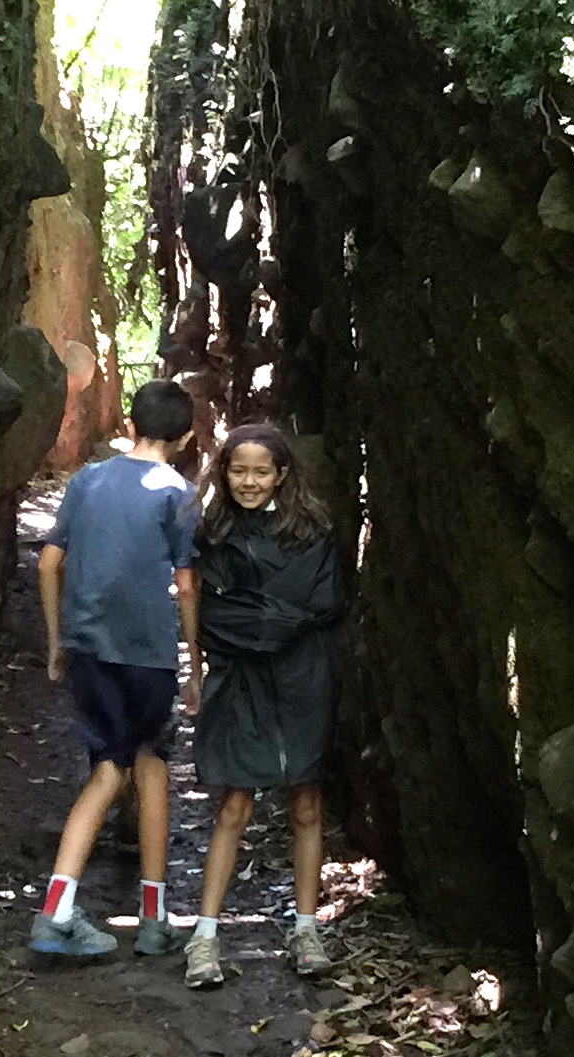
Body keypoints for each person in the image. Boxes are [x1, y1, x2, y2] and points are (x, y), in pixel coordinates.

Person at [30, 379, 201, 958]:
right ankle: (150, 918)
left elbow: (49, 563)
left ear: (130, 424)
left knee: (107, 768)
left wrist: (58, 641)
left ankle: (61, 904)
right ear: (186, 436)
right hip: (148, 655)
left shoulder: (87, 479)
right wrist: (194, 662)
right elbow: (184, 585)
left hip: (89, 649)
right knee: (149, 765)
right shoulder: (178, 494)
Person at [183, 422, 345, 988]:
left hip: (303, 680)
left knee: (307, 803)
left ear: (281, 474)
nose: (248, 481)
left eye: (260, 471)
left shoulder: (312, 533)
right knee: (234, 805)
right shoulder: (212, 535)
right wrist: (272, 619)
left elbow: (323, 602)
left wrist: (257, 616)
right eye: (237, 470)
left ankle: (306, 930)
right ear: (223, 474)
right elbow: (214, 619)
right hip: (242, 682)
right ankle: (203, 938)